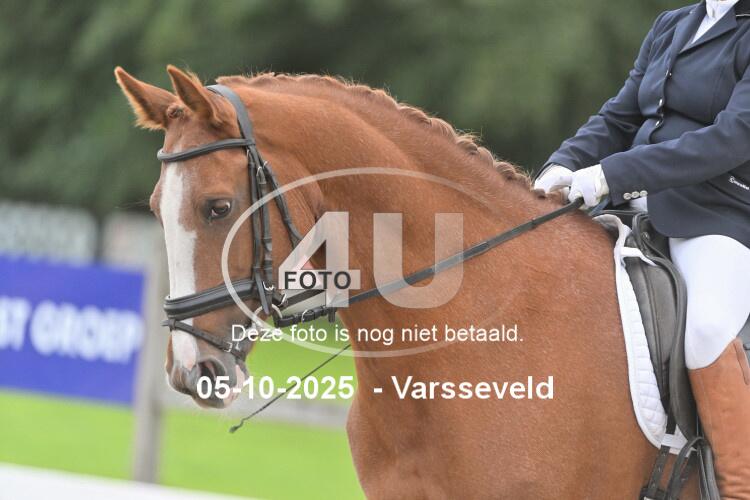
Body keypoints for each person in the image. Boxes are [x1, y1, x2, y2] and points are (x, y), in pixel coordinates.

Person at [534, 1, 750, 497]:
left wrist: (613, 173)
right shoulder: (674, 23)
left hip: (719, 214)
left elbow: (732, 138)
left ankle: (739, 485)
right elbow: (619, 115)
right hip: (636, 207)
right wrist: (560, 166)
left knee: (706, 329)